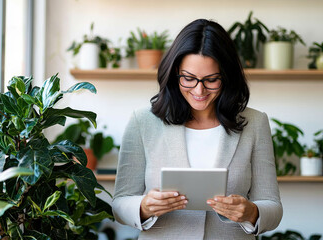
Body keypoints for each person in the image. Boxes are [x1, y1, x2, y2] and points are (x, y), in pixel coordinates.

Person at [112, 19, 282, 239]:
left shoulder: (255, 122)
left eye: (211, 80)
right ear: (174, 73)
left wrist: (251, 212)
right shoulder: (142, 121)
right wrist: (144, 207)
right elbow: (119, 203)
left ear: (227, 76)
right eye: (188, 78)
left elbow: (273, 207)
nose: (199, 90)